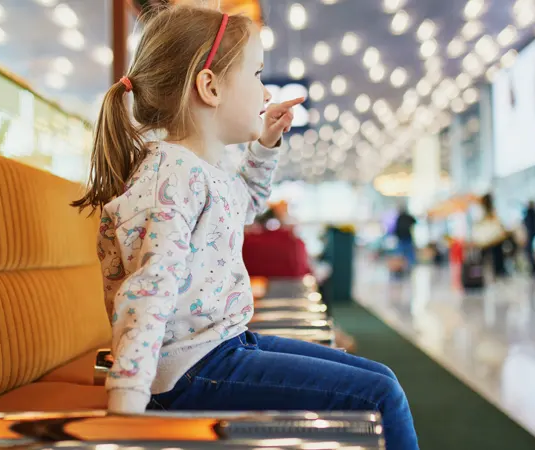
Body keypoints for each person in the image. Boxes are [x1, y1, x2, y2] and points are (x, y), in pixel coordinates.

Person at [73, 6, 417, 449]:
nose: (265, 90)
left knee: (381, 378)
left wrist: (266, 144)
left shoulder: (199, 169)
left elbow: (247, 203)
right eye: (256, 74)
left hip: (222, 347)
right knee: (381, 395)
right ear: (209, 86)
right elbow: (148, 289)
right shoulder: (171, 176)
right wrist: (127, 407)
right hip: (191, 371)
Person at [523, 200, 535, 273]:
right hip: (531, 233)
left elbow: (528, 223)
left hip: (530, 233)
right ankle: (533, 266)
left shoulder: (530, 212)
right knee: (530, 250)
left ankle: (534, 266)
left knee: (529, 250)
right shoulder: (533, 212)